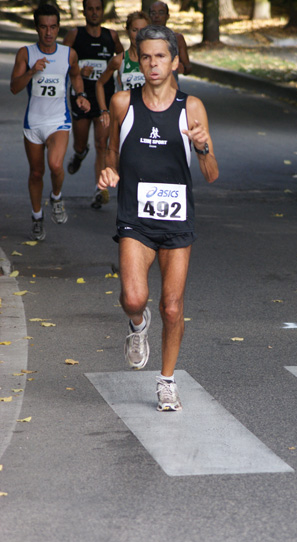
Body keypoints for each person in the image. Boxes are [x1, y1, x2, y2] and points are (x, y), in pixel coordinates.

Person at [97, 25, 218, 411]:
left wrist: (202, 147)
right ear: (137, 58)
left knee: (172, 306)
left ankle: (166, 381)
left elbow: (212, 173)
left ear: (175, 61)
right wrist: (108, 171)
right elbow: (112, 152)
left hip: (177, 219)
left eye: (160, 56)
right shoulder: (122, 103)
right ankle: (137, 325)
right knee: (135, 298)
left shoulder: (192, 107)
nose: (152, 63)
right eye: (145, 56)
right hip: (135, 214)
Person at [10, 3, 90, 241]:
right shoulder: (26, 53)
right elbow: (14, 87)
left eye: (53, 27)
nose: (48, 32)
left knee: (55, 166)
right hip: (33, 122)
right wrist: (32, 71)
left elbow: (75, 76)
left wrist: (81, 96)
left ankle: (56, 197)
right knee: (36, 173)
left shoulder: (68, 53)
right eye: (43, 27)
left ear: (58, 28)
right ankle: (37, 217)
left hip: (59, 120)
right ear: (37, 28)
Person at [63, 0, 123, 208]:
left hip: (103, 99)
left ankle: (100, 189)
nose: (95, 13)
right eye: (91, 9)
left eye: (98, 9)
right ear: (85, 11)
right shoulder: (74, 35)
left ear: (102, 11)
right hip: (80, 97)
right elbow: (60, 61)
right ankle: (79, 154)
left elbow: (123, 58)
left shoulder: (111, 36)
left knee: (102, 144)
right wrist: (79, 69)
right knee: (81, 143)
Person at [95, 11, 150, 136]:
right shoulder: (119, 60)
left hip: (149, 117)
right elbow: (99, 83)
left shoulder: (154, 61)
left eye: (143, 30)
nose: (138, 35)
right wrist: (104, 110)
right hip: (125, 116)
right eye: (135, 30)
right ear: (127, 31)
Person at [149, 2, 191, 83]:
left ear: (167, 16)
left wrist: (183, 68)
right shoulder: (143, 38)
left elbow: (188, 68)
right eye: (153, 13)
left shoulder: (177, 39)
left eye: (161, 13)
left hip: (171, 89)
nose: (157, 16)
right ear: (149, 16)